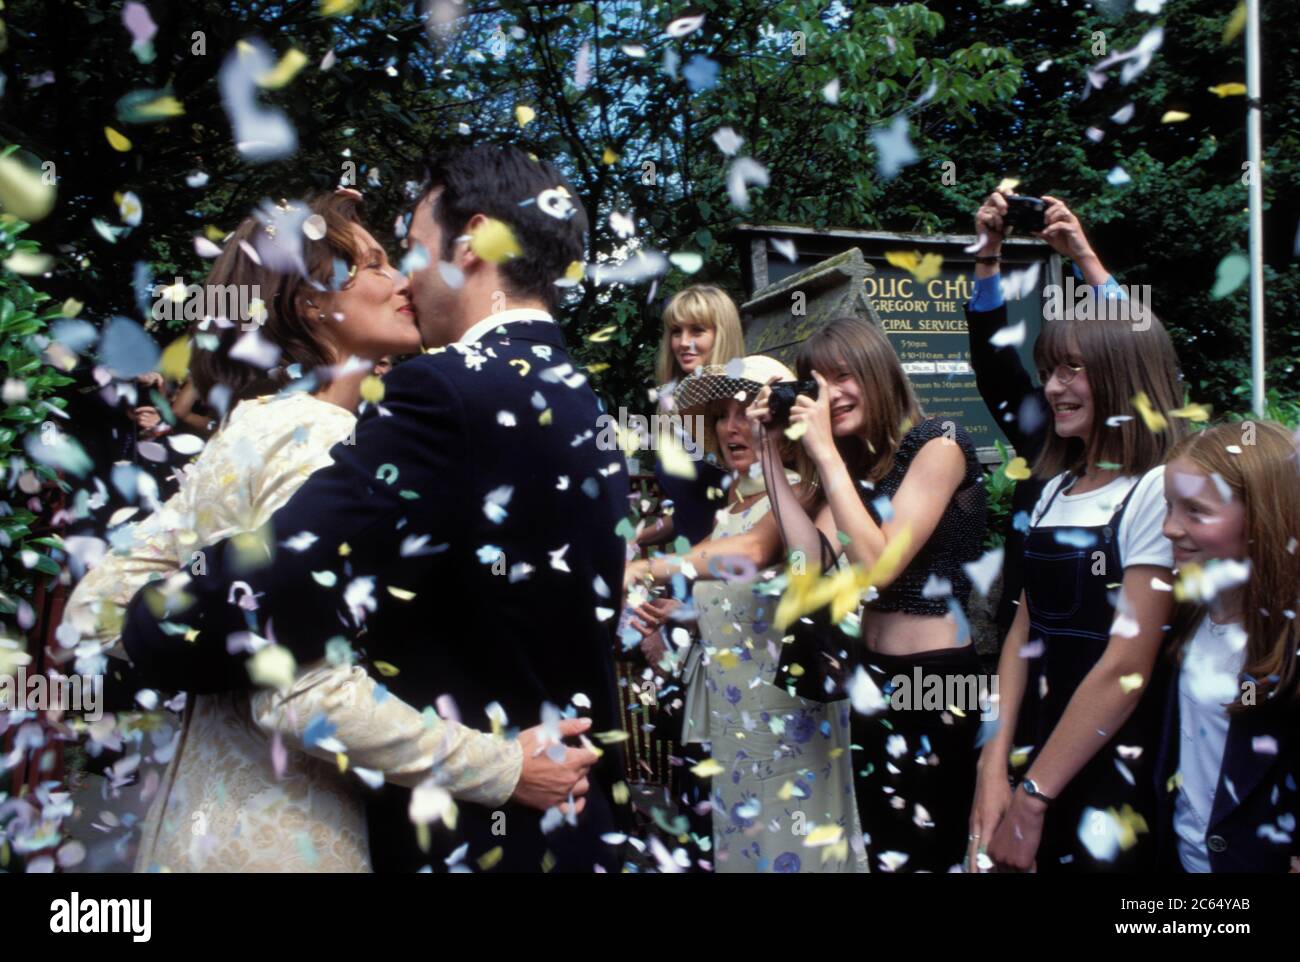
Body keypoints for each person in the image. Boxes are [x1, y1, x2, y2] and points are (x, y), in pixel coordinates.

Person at [118, 145, 631, 873]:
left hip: (476, 836)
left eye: (415, 251)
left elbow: (283, 574)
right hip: (571, 824)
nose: (406, 280)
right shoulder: (585, 404)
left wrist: (151, 623)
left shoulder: (447, 389)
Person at [628, 319, 989, 873]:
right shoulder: (854, 467)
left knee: (926, 850)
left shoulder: (937, 442)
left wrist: (823, 455)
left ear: (879, 373)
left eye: (846, 377)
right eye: (819, 383)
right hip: (871, 677)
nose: (834, 395)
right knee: (877, 850)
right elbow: (808, 562)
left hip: (933, 678)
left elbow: (878, 567)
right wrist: (772, 452)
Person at [970, 296, 1187, 873]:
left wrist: (1033, 799)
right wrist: (992, 769)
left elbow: (1126, 671)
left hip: (1114, 767)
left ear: (1122, 372)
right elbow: (1022, 635)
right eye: (1047, 372)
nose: (1052, 388)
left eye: (1072, 369)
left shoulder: (1157, 492)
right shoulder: (1052, 491)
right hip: (1034, 753)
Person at [632, 356, 862, 873]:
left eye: (748, 412)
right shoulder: (732, 505)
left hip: (788, 726)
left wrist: (643, 566)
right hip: (735, 726)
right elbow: (742, 595)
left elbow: (753, 555)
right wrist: (684, 616)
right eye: (722, 415)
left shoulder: (800, 490)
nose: (733, 426)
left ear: (783, 422)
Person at [1154, 420, 1300, 873]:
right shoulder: (1186, 615)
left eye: (1195, 512)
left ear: (1262, 518)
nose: (1168, 528)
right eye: (1168, 507)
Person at [638, 285, 746, 549]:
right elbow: (689, 512)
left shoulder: (740, 406)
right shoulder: (671, 406)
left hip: (726, 573)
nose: (684, 342)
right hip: (691, 572)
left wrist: (671, 568)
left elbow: (747, 516)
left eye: (697, 330)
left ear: (722, 335)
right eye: (676, 332)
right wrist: (633, 539)